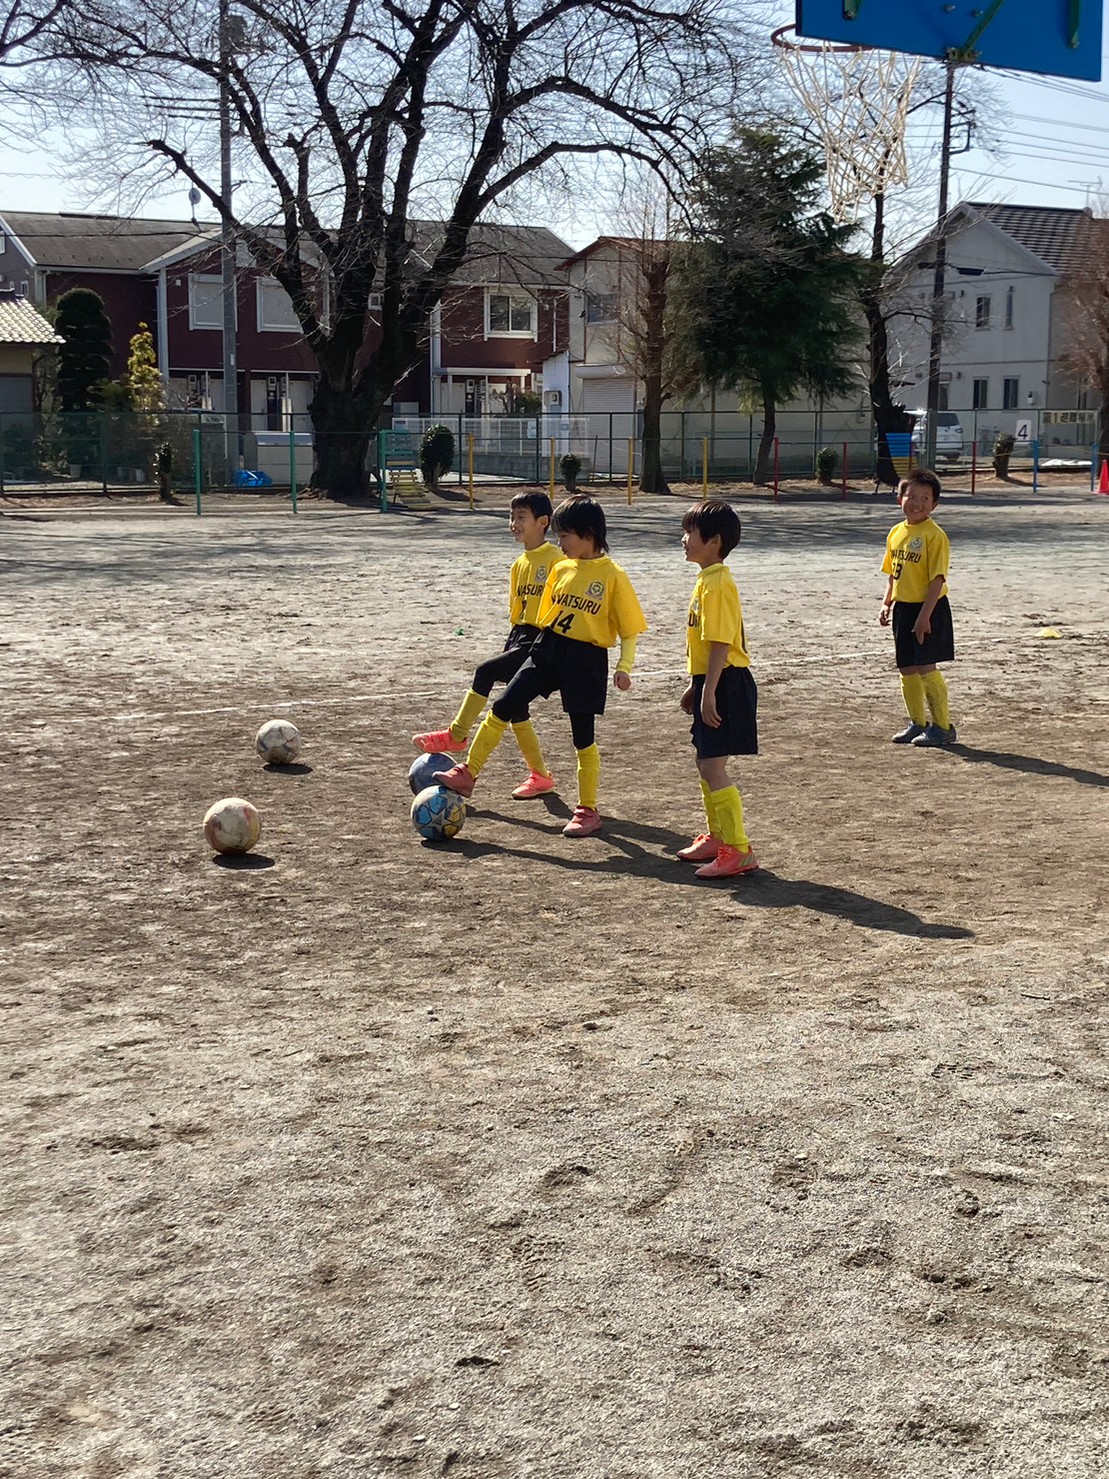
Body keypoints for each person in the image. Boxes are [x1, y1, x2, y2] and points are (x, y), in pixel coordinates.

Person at [434, 495, 646, 837]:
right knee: (505, 703)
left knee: (583, 737)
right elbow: (546, 616)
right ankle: (468, 772)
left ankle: (587, 809)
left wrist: (625, 666)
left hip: (586, 659)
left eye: (565, 536)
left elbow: (630, 629)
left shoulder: (613, 576)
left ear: (588, 533)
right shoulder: (561, 569)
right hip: (547, 648)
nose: (559, 543)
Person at [412, 490, 561, 799]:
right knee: (516, 709)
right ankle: (540, 776)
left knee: (485, 672)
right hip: (519, 637)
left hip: (540, 640)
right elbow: (516, 612)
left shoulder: (556, 560)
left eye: (521, 517)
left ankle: (457, 734)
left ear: (543, 522)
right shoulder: (519, 564)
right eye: (512, 517)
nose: (514, 523)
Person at [676, 500, 760, 880]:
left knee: (713, 765)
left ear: (714, 542)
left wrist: (709, 690)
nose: (684, 539)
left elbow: (721, 644)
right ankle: (719, 836)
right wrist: (697, 686)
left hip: (727, 681)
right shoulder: (706, 579)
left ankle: (738, 849)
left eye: (690, 533)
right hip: (711, 680)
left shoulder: (720, 583)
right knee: (704, 761)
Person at [879, 468, 957, 747]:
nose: (917, 503)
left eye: (925, 498)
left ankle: (943, 727)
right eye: (911, 496)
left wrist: (925, 617)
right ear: (899, 498)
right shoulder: (896, 532)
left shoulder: (934, 536)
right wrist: (887, 602)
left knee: (926, 666)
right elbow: (893, 572)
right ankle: (917, 722)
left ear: (934, 504)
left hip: (930, 608)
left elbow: (937, 580)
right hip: (904, 608)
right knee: (907, 668)